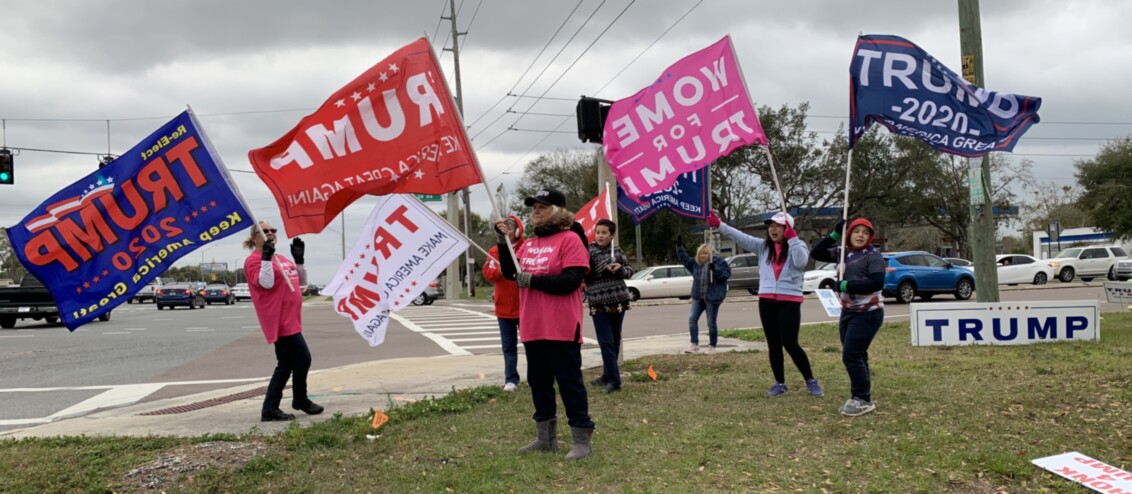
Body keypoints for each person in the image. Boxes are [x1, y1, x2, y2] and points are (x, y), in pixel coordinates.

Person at [494, 188, 595, 461]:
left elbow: (571, 281)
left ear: (560, 211)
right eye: (533, 207)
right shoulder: (529, 245)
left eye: (543, 206)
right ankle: (545, 438)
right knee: (539, 382)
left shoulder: (571, 239)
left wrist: (533, 281)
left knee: (569, 383)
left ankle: (581, 438)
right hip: (532, 325)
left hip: (561, 326)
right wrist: (504, 243)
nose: (535, 211)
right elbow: (511, 273)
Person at [710, 211, 824, 398]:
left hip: (789, 301)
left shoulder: (798, 246)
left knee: (790, 343)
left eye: (778, 226)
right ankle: (780, 382)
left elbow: (801, 262)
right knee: (773, 344)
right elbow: (740, 237)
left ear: (787, 229)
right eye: (771, 225)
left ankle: (810, 380)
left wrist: (793, 239)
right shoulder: (763, 247)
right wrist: (720, 225)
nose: (773, 229)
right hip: (767, 301)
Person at [244, 220, 324, 422]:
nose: (270, 233)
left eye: (273, 230)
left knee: (287, 363)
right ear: (255, 237)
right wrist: (265, 258)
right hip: (279, 320)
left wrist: (299, 261)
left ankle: (272, 408)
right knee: (302, 359)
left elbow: (301, 283)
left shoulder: (280, 258)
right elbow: (266, 283)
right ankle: (299, 400)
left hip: (292, 318)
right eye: (265, 231)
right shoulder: (253, 260)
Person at [811, 218, 886, 417]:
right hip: (848, 311)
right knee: (858, 354)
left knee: (851, 355)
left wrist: (846, 286)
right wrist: (834, 235)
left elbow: (877, 282)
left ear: (870, 237)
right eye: (856, 231)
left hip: (868, 312)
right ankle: (863, 395)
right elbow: (816, 253)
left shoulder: (873, 256)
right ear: (849, 234)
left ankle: (862, 398)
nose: (860, 235)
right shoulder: (842, 252)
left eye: (865, 232)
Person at [585, 219, 634, 394]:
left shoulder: (617, 250)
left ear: (611, 235)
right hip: (598, 301)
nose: (600, 236)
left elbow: (629, 271)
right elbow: (586, 273)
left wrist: (620, 268)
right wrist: (605, 266)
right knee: (605, 341)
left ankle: (607, 375)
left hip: (618, 299)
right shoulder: (588, 250)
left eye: (604, 233)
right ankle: (615, 380)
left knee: (614, 340)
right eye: (598, 232)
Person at [482, 215, 525, 392]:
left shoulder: (527, 247)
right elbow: (488, 273)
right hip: (504, 307)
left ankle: (539, 375)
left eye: (510, 226)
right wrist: (501, 270)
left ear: (517, 230)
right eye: (504, 227)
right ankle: (511, 379)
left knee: (533, 345)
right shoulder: (494, 251)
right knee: (508, 346)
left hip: (525, 306)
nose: (506, 229)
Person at [676, 240, 730, 355]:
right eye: (700, 253)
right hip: (698, 297)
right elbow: (684, 259)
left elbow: (726, 275)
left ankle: (712, 346)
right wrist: (679, 246)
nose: (702, 256)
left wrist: (715, 269)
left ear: (710, 254)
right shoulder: (695, 264)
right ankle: (694, 344)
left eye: (705, 253)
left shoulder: (719, 262)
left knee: (711, 322)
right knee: (692, 319)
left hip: (712, 298)